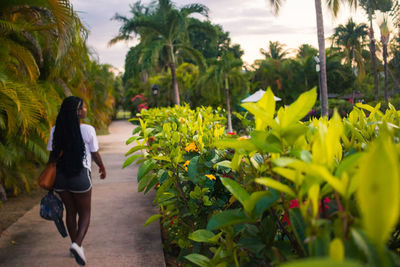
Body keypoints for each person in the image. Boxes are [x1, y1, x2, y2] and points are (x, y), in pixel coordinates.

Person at [47, 96, 106, 266]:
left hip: (60, 178)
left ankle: (75, 246)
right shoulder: (88, 130)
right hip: (80, 177)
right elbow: (94, 153)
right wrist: (102, 167)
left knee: (71, 212)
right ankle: (77, 244)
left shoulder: (55, 130)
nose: (86, 110)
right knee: (85, 213)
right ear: (78, 112)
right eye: (84, 107)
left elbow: (52, 157)